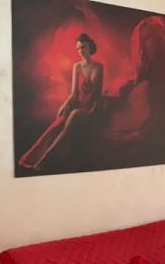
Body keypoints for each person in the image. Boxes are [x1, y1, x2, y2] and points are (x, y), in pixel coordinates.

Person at [18, 33, 104, 169]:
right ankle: (38, 158)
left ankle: (45, 158)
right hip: (78, 105)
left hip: (92, 108)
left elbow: (98, 94)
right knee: (60, 122)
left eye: (83, 47)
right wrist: (64, 105)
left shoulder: (99, 67)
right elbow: (74, 94)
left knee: (74, 114)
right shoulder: (77, 66)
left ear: (90, 47)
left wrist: (93, 110)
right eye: (78, 48)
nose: (80, 51)